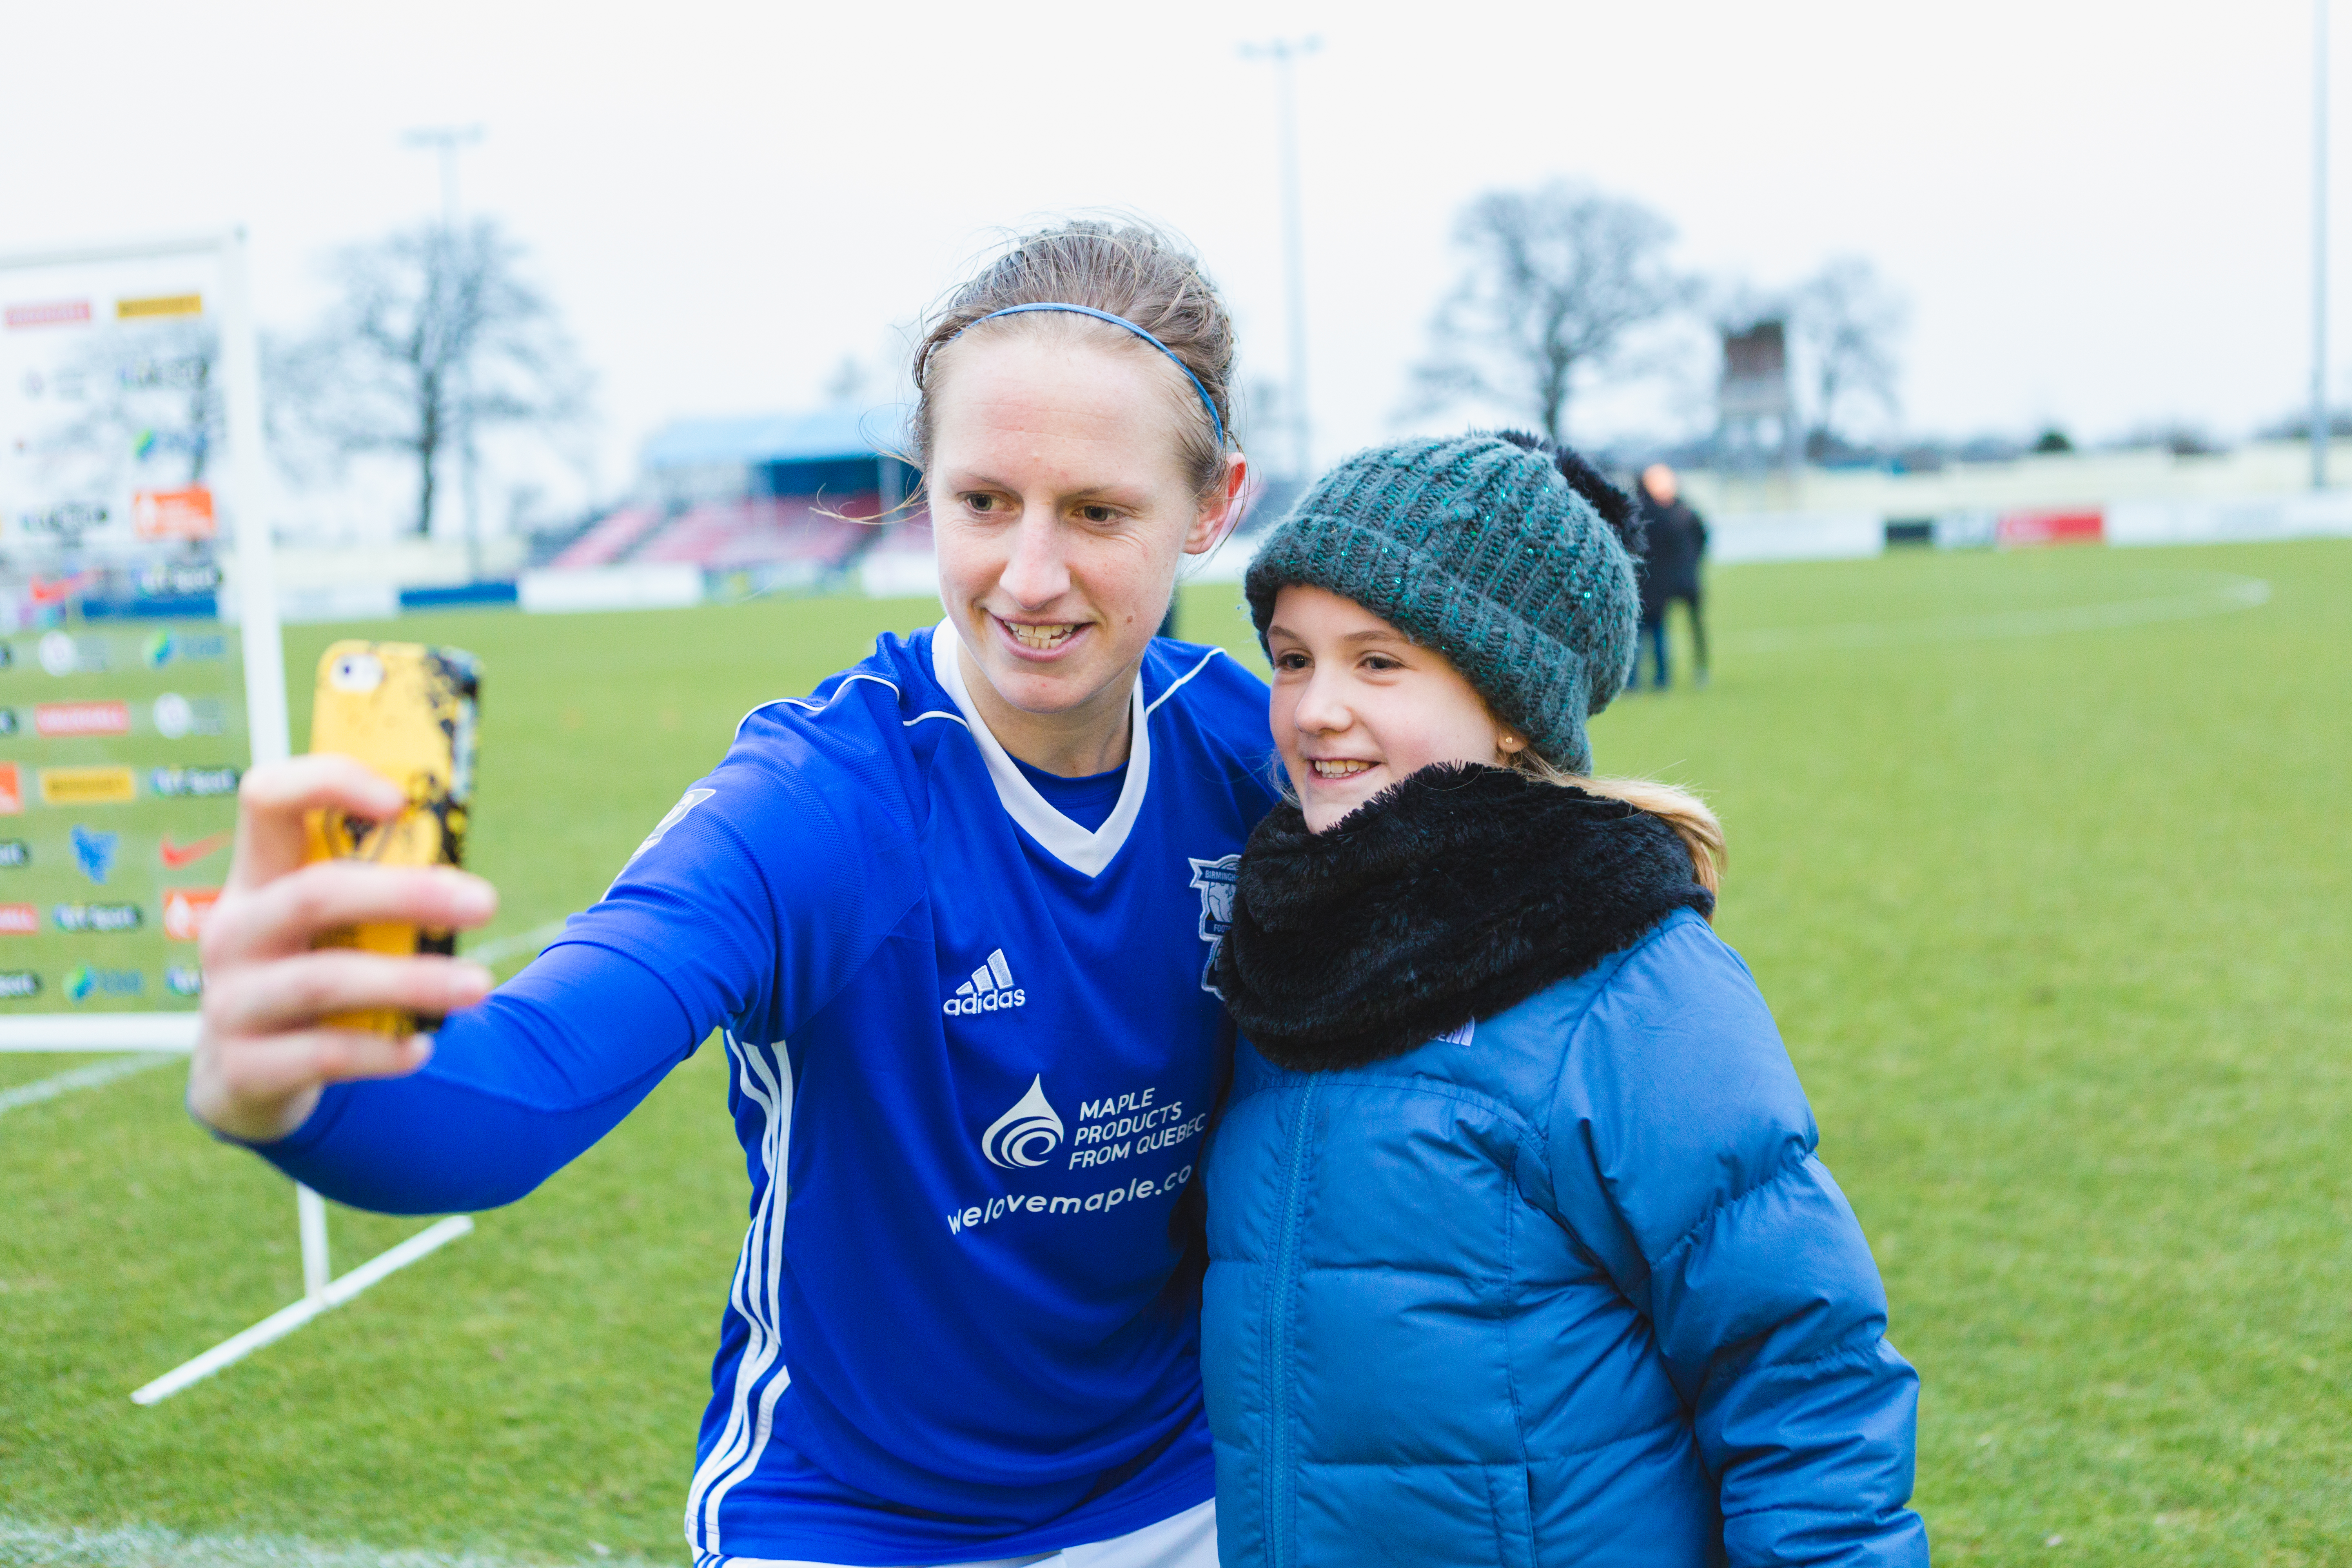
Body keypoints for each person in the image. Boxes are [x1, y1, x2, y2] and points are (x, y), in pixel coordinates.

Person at [189, 221, 1283, 1568]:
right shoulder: (821, 802)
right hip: (857, 1524)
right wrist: (304, 1089)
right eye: (983, 501)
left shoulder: (1252, 753)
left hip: (1190, 1499)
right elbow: (520, 1091)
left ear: (1216, 504)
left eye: (1100, 513)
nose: (1031, 574)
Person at [1199, 432, 1926, 1565]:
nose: (1314, 709)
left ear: (1512, 706)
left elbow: (1801, 1373)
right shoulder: (1276, 948)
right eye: (1292, 658)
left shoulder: (1632, 984)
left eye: (1377, 662)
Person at [1630, 460, 1709, 690]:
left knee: (1651, 630)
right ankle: (1664, 677)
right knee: (1658, 629)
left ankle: (1645, 679)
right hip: (1668, 580)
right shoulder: (1682, 513)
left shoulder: (1652, 515)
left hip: (1657, 582)